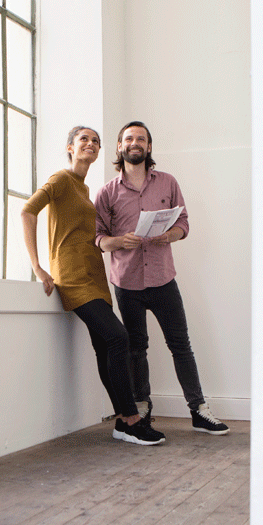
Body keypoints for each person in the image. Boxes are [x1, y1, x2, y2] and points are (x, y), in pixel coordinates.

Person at [21, 126, 165, 446]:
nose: (90, 143)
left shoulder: (86, 192)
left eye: (95, 141)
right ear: (70, 147)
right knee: (118, 337)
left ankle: (122, 422)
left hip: (95, 276)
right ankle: (131, 418)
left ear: (100, 152)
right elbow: (28, 211)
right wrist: (38, 267)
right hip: (72, 277)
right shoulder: (61, 180)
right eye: (83, 139)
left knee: (105, 347)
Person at [93, 121, 229, 435]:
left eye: (141, 138)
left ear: (149, 147)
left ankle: (198, 409)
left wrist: (171, 235)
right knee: (136, 348)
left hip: (163, 279)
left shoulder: (167, 182)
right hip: (126, 282)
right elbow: (98, 237)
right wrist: (118, 241)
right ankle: (141, 408)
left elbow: (183, 222)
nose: (135, 142)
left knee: (181, 345)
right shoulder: (107, 193)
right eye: (129, 138)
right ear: (120, 147)